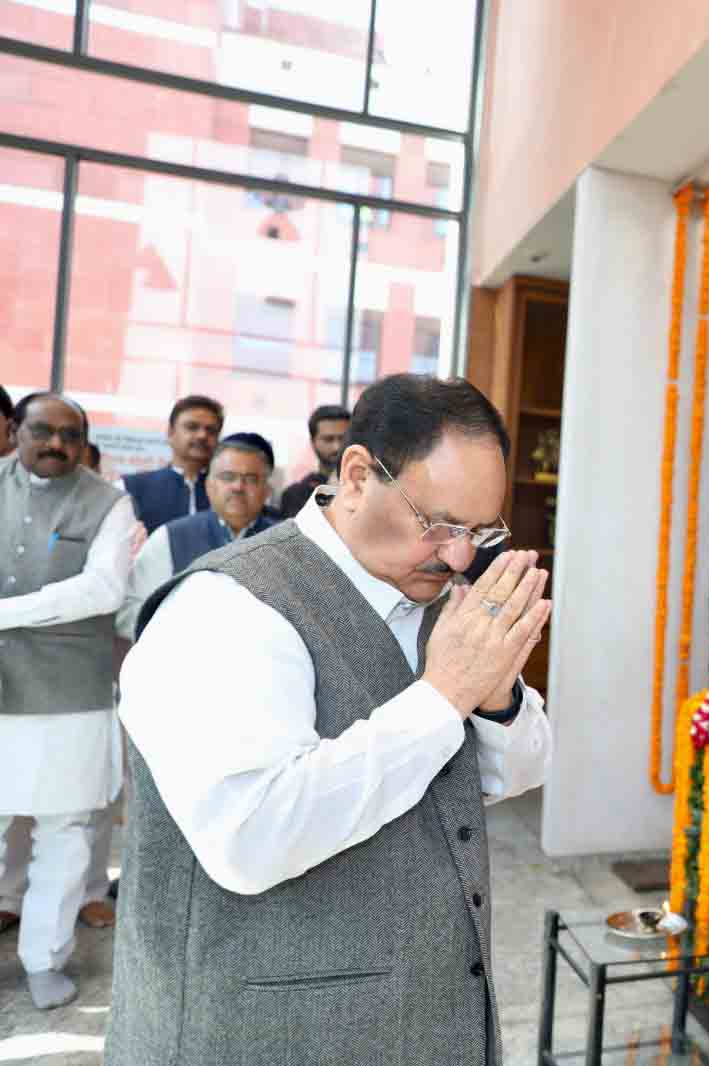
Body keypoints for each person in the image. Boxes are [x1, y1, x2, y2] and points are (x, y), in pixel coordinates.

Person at [108, 375, 552, 1065]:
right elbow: (252, 836)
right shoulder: (226, 609)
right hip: (266, 1034)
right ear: (355, 476)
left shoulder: (441, 597)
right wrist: (442, 696)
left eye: (480, 531)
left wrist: (492, 692)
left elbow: (513, 775)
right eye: (440, 524)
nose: (460, 555)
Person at [0, 392, 137, 1009]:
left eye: (69, 435)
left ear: (83, 442)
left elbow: (104, 588)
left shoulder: (109, 502)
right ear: (17, 430)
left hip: (70, 697)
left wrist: (6, 614)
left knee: (67, 832)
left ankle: (44, 962)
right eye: (42, 431)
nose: (55, 443)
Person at [116, 433, 279, 639]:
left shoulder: (284, 545)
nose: (238, 487)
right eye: (228, 477)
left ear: (267, 491)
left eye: (251, 479)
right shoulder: (171, 538)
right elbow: (129, 610)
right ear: (209, 486)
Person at [118, 395, 223, 531]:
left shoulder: (230, 489)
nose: (202, 435)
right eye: (192, 427)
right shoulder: (131, 488)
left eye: (211, 430)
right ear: (170, 432)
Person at [279, 403, 350, 517]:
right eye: (328, 439)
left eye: (343, 438)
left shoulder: (368, 487)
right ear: (313, 442)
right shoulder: (295, 494)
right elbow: (300, 532)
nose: (337, 446)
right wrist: (330, 492)